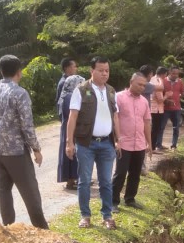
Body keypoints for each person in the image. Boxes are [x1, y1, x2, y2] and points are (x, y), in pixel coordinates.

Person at [0, 55, 49, 229]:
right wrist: (36, 149)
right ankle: (41, 230)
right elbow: (27, 125)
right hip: (16, 152)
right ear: (19, 72)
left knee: (3, 192)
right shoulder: (20, 93)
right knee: (30, 193)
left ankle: (9, 230)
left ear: (1, 71)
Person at [64, 56, 121, 230]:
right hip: (85, 144)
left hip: (107, 144)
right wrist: (69, 143)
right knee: (84, 181)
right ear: (92, 71)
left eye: (107, 70)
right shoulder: (81, 90)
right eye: (101, 70)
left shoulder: (111, 91)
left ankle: (107, 215)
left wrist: (118, 139)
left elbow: (115, 116)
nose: (104, 74)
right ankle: (85, 216)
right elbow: (72, 117)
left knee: (106, 181)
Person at [112, 72, 152, 212]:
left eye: (144, 85)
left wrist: (149, 143)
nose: (142, 87)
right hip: (124, 143)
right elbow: (114, 118)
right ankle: (113, 201)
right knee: (120, 173)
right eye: (139, 84)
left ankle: (130, 199)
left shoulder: (144, 101)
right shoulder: (119, 97)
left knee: (135, 173)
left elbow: (147, 122)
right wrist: (117, 140)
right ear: (131, 82)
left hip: (139, 143)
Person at [57, 74, 83, 189]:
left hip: (67, 128)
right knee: (72, 154)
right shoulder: (70, 97)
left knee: (71, 154)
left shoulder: (65, 95)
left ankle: (74, 179)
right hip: (71, 128)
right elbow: (73, 114)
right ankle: (71, 180)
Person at [158, 65, 184, 151]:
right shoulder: (163, 81)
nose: (175, 75)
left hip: (176, 108)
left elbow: (183, 93)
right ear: (169, 72)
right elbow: (159, 94)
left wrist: (177, 98)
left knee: (176, 127)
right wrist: (166, 100)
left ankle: (174, 145)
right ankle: (159, 145)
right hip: (165, 108)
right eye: (173, 73)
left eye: (177, 74)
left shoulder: (180, 82)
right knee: (161, 127)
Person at [150, 66, 167, 151]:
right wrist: (167, 96)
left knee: (155, 128)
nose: (165, 77)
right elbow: (160, 100)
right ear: (163, 74)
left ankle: (153, 145)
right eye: (165, 75)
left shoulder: (153, 79)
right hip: (156, 109)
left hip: (154, 108)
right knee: (155, 128)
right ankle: (152, 147)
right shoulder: (158, 81)